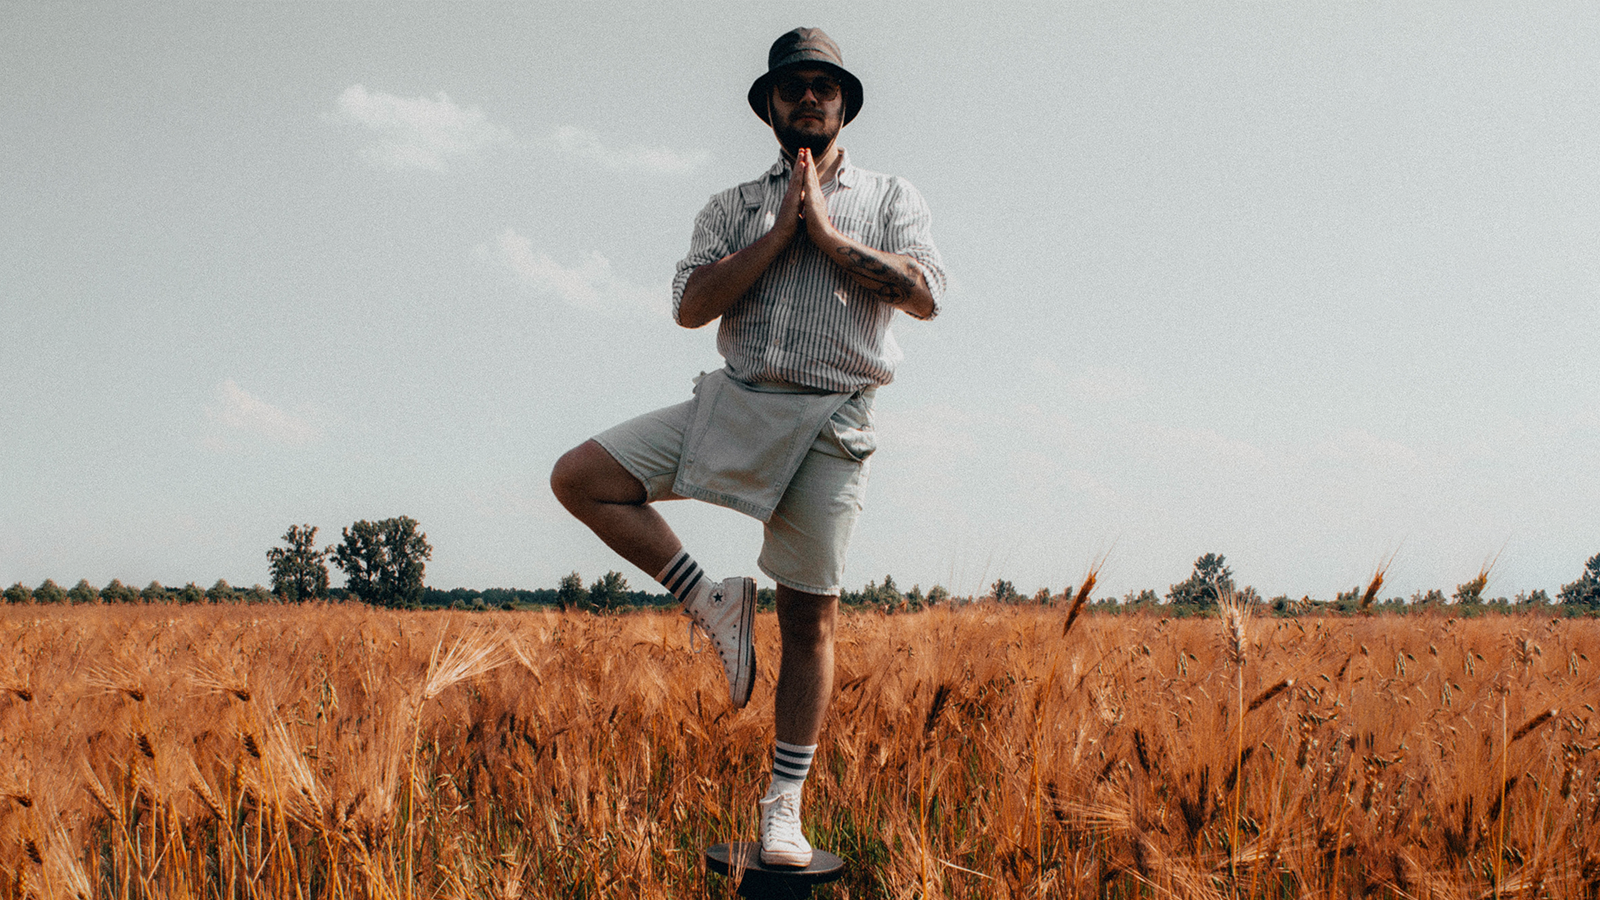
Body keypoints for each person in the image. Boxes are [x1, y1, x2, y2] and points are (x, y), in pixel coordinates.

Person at [549, 26, 945, 868]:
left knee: (810, 616)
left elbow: (925, 297)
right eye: (791, 86)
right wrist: (780, 234)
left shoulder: (891, 197)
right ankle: (710, 601)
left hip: (832, 415)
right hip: (736, 398)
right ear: (769, 106)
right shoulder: (730, 206)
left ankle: (784, 806)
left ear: (844, 105)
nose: (808, 96)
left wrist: (831, 239)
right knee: (582, 477)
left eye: (822, 86)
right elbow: (691, 308)